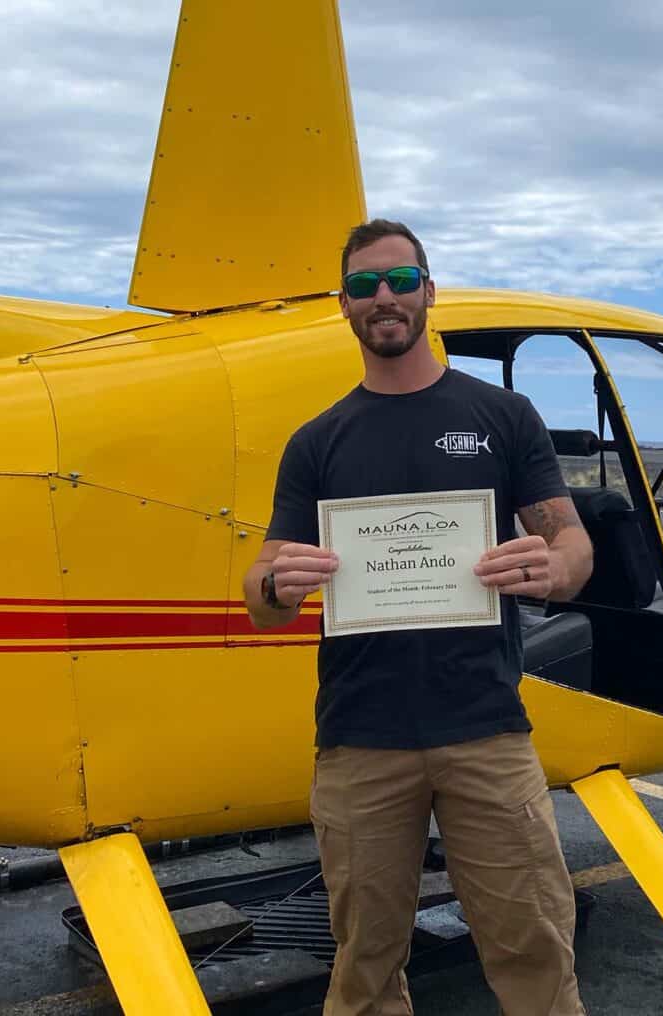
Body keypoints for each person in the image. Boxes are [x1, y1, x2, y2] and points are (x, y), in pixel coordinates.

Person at [242, 219, 593, 1016]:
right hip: (362, 740)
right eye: (365, 286)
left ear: (430, 292)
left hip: (487, 731)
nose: (385, 298)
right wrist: (276, 586)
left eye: (401, 281)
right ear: (345, 306)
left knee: (533, 941)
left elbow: (570, 542)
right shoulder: (317, 442)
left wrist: (553, 569)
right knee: (365, 960)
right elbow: (261, 591)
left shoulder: (503, 416)